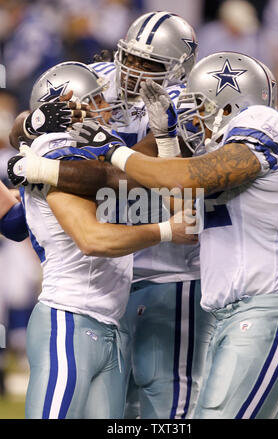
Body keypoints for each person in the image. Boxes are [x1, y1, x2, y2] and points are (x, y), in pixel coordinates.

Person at [16, 51, 278, 418]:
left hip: (267, 306)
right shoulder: (223, 143)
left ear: (229, 104)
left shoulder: (261, 123)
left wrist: (116, 150)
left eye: (201, 105)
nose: (194, 117)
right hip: (247, 308)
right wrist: (36, 130)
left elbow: (183, 178)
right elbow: (178, 202)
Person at [7, 11, 215, 419]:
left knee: (165, 400)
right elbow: (22, 129)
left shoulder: (185, 103)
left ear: (177, 70)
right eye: (131, 58)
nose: (134, 72)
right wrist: (35, 120)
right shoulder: (98, 77)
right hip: (112, 275)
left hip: (167, 268)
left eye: (149, 65)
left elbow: (127, 178)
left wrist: (47, 169)